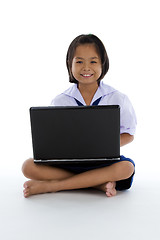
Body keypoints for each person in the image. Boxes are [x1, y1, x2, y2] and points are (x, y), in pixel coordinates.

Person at [22, 34, 137, 198]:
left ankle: (55, 186)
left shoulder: (118, 98)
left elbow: (129, 134)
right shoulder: (60, 100)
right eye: (79, 61)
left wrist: (104, 146)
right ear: (70, 65)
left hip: (104, 162)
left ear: (103, 64)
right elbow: (54, 138)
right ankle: (98, 184)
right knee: (28, 166)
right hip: (71, 163)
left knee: (127, 168)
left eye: (93, 61)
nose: (86, 67)